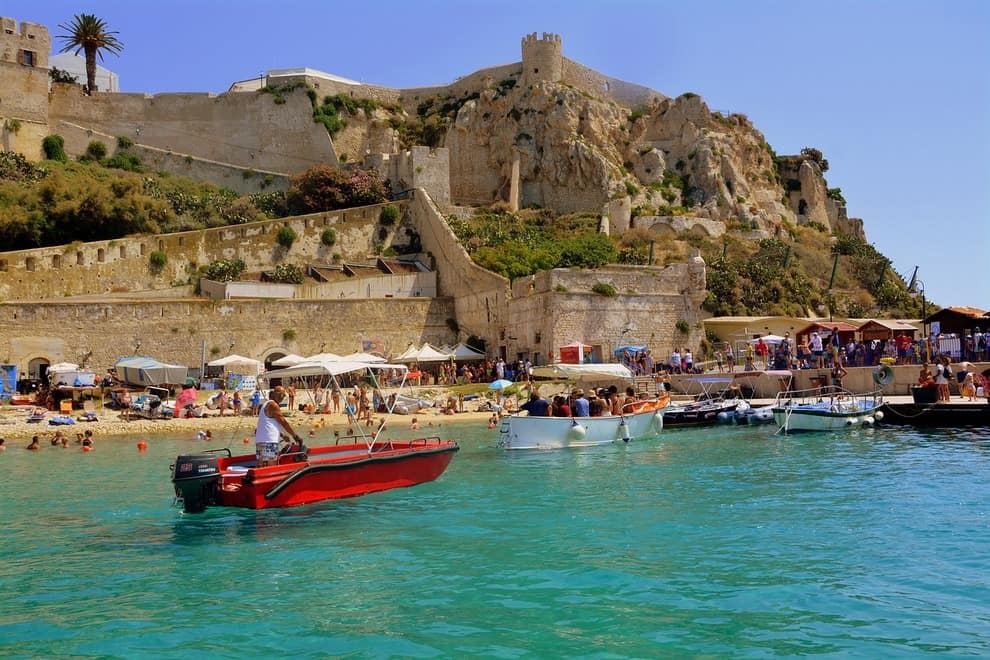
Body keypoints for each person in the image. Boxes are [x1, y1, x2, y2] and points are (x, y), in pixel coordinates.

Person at [255, 386, 302, 468]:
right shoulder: (273, 405)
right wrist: (295, 436)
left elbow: (269, 425)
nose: (282, 397)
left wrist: (283, 435)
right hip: (269, 442)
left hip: (262, 440)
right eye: (280, 395)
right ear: (273, 394)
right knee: (271, 467)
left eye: (284, 396)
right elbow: (284, 422)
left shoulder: (266, 404)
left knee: (262, 466)